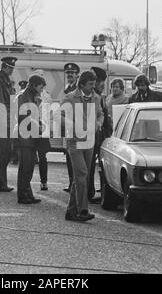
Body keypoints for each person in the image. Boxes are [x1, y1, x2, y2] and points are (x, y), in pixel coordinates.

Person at [62, 70, 103, 222]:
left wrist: (99, 122)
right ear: (82, 84)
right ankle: (82, 210)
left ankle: (70, 211)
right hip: (74, 141)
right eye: (91, 84)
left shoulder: (96, 98)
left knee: (80, 178)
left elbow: (100, 114)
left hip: (89, 141)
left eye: (94, 84)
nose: (93, 87)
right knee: (82, 174)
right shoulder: (70, 98)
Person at [15, 74, 46, 204]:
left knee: (30, 166)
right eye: (41, 87)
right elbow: (23, 116)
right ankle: (22, 195)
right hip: (24, 136)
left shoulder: (33, 97)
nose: (42, 90)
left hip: (31, 136)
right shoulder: (22, 96)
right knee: (25, 167)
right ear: (34, 85)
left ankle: (28, 193)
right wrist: (36, 125)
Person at [0, 57, 18, 192]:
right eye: (10, 67)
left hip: (8, 120)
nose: (12, 70)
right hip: (3, 121)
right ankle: (0, 183)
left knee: (6, 153)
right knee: (2, 153)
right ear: (4, 67)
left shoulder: (6, 81)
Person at [88, 67, 110, 203]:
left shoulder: (99, 97)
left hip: (98, 138)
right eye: (101, 84)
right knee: (89, 167)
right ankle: (89, 193)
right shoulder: (94, 97)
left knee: (91, 167)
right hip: (93, 137)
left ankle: (90, 192)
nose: (103, 87)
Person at [63, 62, 80, 192]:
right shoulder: (67, 87)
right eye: (68, 73)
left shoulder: (77, 89)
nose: (69, 75)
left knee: (74, 157)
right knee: (68, 157)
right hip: (68, 126)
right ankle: (71, 183)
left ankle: (74, 184)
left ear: (77, 75)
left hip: (76, 125)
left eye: (72, 73)